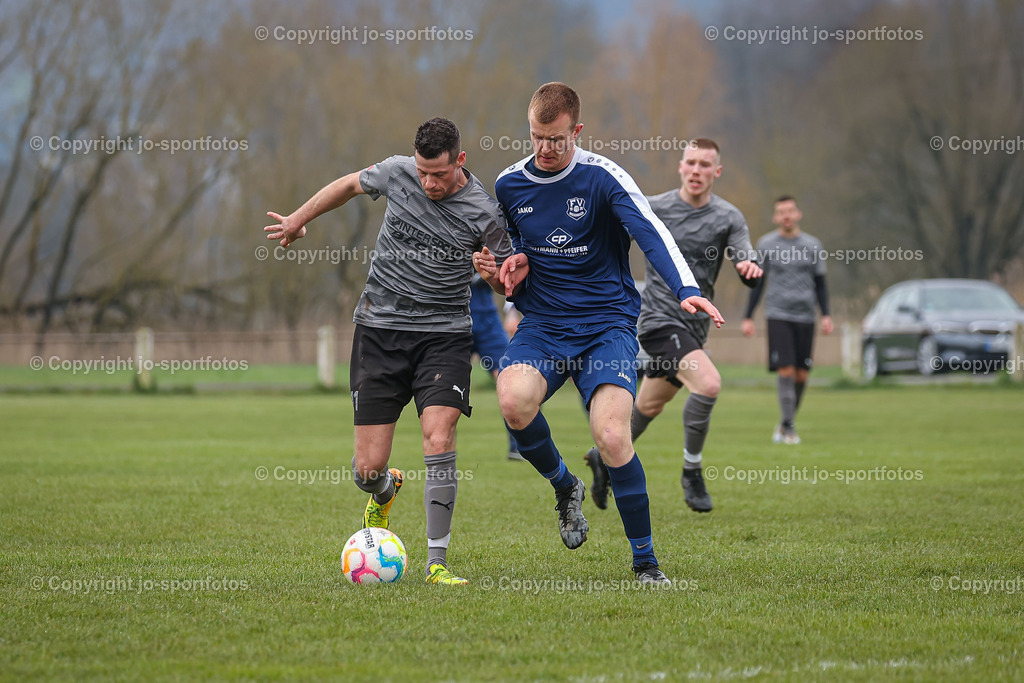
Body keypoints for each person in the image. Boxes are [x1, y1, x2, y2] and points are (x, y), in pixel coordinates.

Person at [473, 82, 724, 584]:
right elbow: (510, 258)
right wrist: (500, 271)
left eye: (556, 139)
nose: (545, 148)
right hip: (544, 325)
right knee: (513, 401)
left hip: (606, 327)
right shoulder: (509, 185)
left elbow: (651, 232)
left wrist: (686, 288)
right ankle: (565, 486)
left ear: (577, 131)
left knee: (611, 436)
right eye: (537, 137)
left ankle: (646, 563)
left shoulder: (604, 177)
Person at [264, 117, 512, 585]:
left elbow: (507, 283)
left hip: (444, 336)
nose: (429, 183)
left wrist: (493, 275)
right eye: (423, 173)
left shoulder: (485, 212)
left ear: (460, 160)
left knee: (439, 438)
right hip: (379, 331)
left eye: (439, 174)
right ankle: (383, 490)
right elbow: (348, 185)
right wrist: (298, 219)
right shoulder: (397, 172)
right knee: (366, 468)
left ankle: (437, 563)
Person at [582, 139, 762, 514]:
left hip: (694, 328)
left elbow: (745, 255)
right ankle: (692, 472)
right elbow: (606, 234)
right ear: (681, 167)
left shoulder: (728, 217)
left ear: (717, 171)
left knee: (649, 405)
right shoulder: (655, 206)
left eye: (704, 165)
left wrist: (748, 267)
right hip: (658, 322)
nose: (696, 170)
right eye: (691, 162)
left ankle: (601, 458)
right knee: (708, 384)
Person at [741, 195, 833, 445]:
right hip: (778, 314)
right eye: (781, 212)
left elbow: (821, 283)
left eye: (790, 211)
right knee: (786, 370)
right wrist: (748, 316)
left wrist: (826, 314)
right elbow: (758, 283)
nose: (786, 216)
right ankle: (790, 428)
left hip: (806, 316)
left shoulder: (813, 245)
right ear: (775, 217)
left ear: (798, 214)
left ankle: (784, 423)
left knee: (801, 375)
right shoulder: (766, 244)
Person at [468, 274, 522, 460]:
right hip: (454, 317)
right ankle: (442, 454)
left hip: (488, 320)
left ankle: (519, 448)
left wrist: (512, 311)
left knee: (513, 381)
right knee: (444, 387)